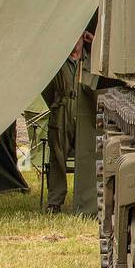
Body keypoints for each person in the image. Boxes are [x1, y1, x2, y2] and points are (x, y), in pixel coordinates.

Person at [43, 32, 91, 213]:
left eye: (77, 38)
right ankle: (55, 202)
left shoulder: (90, 60)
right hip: (62, 112)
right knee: (57, 158)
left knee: (86, 158)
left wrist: (93, 42)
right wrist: (57, 104)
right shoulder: (58, 61)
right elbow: (46, 88)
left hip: (85, 113)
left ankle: (85, 203)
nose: (74, 43)